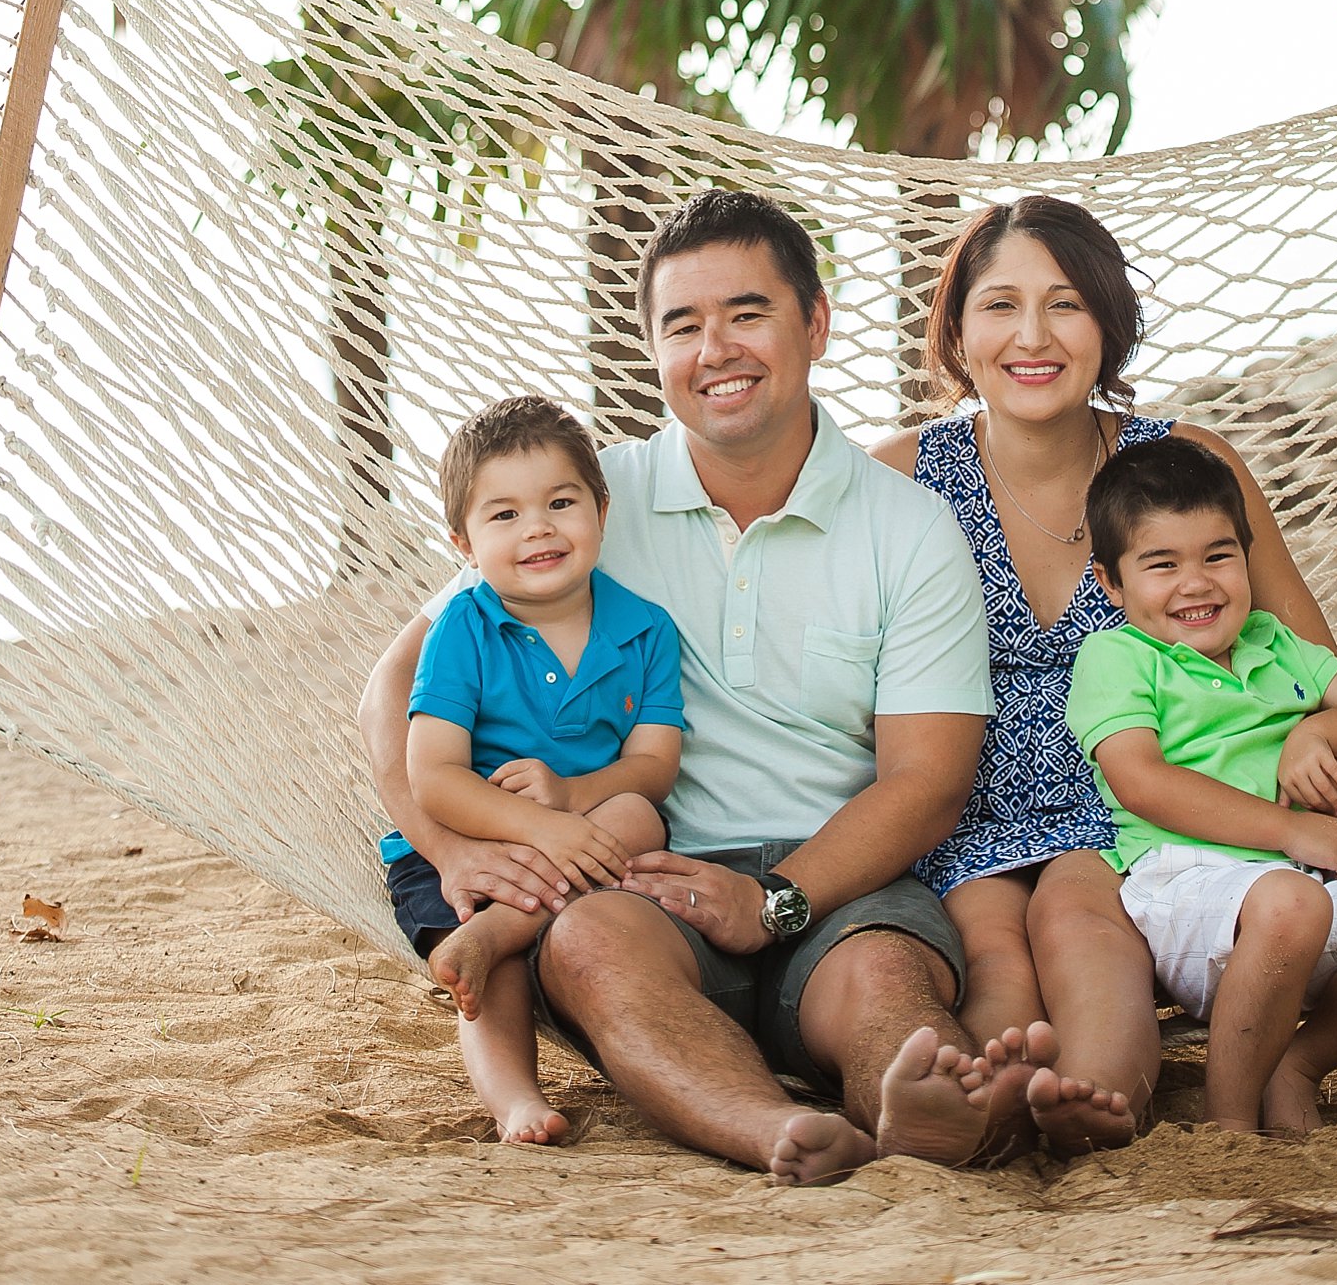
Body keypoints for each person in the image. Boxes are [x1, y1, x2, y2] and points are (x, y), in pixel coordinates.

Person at [360, 189, 1026, 1184]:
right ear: (656, 352)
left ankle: (921, 1102)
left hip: (832, 879)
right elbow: (393, 687)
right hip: (639, 877)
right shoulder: (582, 502)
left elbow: (927, 781)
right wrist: (452, 849)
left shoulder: (908, 528)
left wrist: (776, 902)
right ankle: (773, 1132)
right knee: (588, 945)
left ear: (814, 323)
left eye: (746, 314)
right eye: (683, 325)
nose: (715, 349)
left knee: (884, 974)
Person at [871, 194, 1337, 1151]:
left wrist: (1336, 762)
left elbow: (1304, 663)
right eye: (1000, 306)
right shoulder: (899, 477)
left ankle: (1098, 1094)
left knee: (1085, 935)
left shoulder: (1180, 467)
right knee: (995, 950)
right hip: (967, 811)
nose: (1033, 336)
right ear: (958, 333)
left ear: (1109, 323)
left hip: (1160, 809)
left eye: (1065, 304)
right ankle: (984, 1094)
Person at [1068, 434, 1337, 1135]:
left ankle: (1298, 1065)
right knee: (1288, 902)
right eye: (1162, 565)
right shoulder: (1119, 657)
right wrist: (1287, 828)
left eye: (1218, 556)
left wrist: (1320, 732)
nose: (1197, 584)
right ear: (1112, 582)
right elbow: (1140, 781)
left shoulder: (1274, 644)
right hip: (1183, 889)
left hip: (1299, 891)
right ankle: (1232, 1128)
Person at [384, 393, 684, 1144]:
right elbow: (435, 778)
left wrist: (574, 796)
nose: (539, 528)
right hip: (474, 837)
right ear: (463, 541)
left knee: (642, 814)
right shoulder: (463, 627)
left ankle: (502, 931)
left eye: (560, 502)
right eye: (505, 515)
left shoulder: (644, 629)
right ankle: (515, 1098)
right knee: (498, 963)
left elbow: (653, 764)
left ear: (601, 510)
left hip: (584, 828)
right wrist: (538, 829)